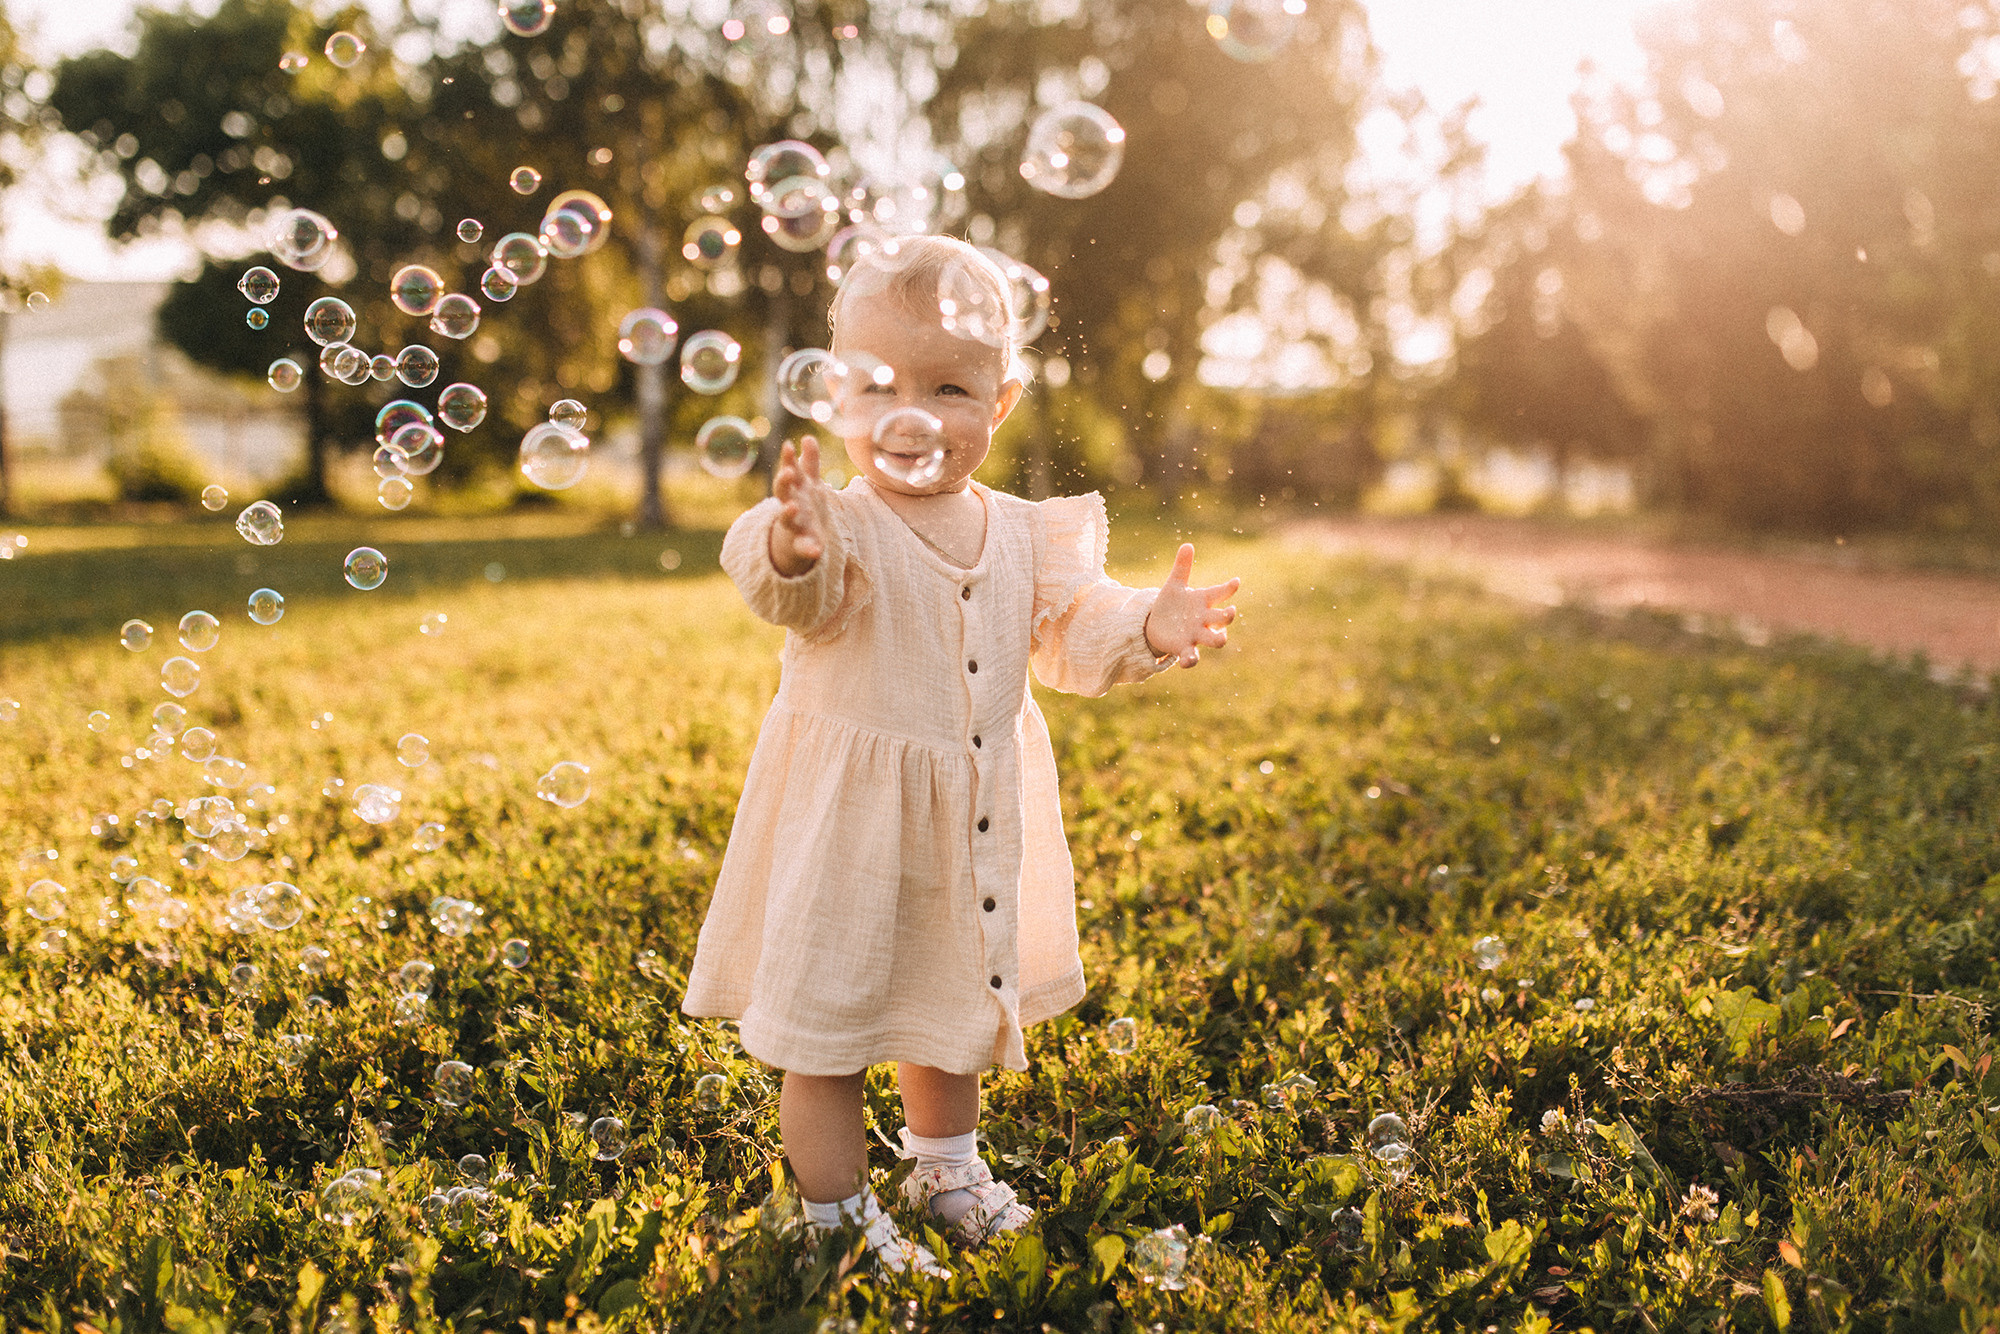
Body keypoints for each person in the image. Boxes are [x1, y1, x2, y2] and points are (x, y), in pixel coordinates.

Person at [682, 234, 1240, 1278]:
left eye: (946, 386)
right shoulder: (835, 525)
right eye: (878, 385)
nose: (911, 413)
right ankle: (835, 1220)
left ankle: (944, 1169)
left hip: (969, 818)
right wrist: (790, 544)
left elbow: (1072, 633)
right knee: (831, 1023)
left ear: (1001, 400)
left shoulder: (1026, 532)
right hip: (846, 828)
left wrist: (1150, 624)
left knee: (952, 1004)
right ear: (836, 397)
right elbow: (783, 586)